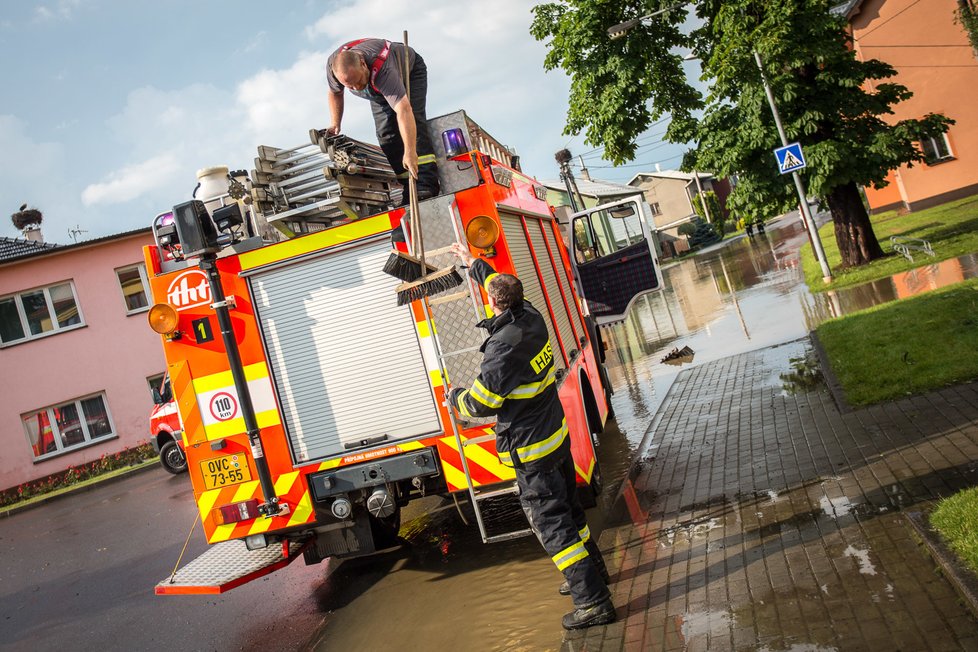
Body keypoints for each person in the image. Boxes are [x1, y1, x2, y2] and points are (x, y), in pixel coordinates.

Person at [446, 243, 616, 631]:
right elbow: (496, 282)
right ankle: (594, 574)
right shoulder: (532, 315)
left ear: (493, 305)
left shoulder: (503, 347)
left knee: (553, 528)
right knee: (573, 516)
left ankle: (593, 602)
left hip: (531, 453)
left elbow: (479, 403)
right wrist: (472, 262)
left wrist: (454, 396)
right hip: (555, 441)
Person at [326, 38, 440, 200]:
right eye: (350, 86)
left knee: (413, 123)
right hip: (377, 89)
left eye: (358, 81)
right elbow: (335, 93)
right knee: (386, 135)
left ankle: (425, 184)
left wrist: (409, 152)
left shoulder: (383, 68)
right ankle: (409, 187)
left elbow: (404, 110)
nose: (356, 88)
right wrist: (335, 123)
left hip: (409, 72)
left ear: (363, 64)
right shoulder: (334, 68)